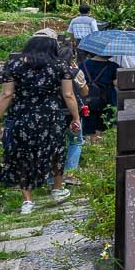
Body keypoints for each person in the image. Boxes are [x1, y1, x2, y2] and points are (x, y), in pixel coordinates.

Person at [0, 34, 81, 215]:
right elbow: (68, 95)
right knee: (55, 150)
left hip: (21, 116)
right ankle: (56, 189)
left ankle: (27, 201)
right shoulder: (60, 66)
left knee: (22, 154)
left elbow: (6, 95)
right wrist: (76, 118)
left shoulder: (14, 66)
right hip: (50, 116)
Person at [57, 37, 89, 188]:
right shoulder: (75, 72)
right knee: (75, 142)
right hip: (72, 112)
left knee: (56, 143)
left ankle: (52, 178)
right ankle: (70, 174)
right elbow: (84, 92)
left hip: (54, 113)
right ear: (73, 57)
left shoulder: (50, 71)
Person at [79, 53, 119, 141]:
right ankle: (98, 148)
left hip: (87, 100)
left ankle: (90, 149)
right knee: (102, 128)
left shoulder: (83, 64)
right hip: (106, 102)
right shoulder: (113, 66)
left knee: (88, 129)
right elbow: (117, 83)